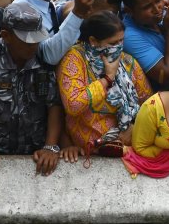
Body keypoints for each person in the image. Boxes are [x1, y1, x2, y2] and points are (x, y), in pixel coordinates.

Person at [0, 3, 63, 177]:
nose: (33, 45)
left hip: (36, 154)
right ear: (6, 36)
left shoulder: (44, 57)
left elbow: (55, 104)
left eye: (36, 39)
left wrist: (50, 146)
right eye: (26, 41)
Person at [58, 11, 151, 152]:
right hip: (86, 151)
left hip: (126, 149)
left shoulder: (127, 62)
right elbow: (73, 105)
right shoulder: (74, 59)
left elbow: (149, 102)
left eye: (122, 41)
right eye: (113, 43)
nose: (119, 47)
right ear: (94, 41)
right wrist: (107, 79)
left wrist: (132, 124)